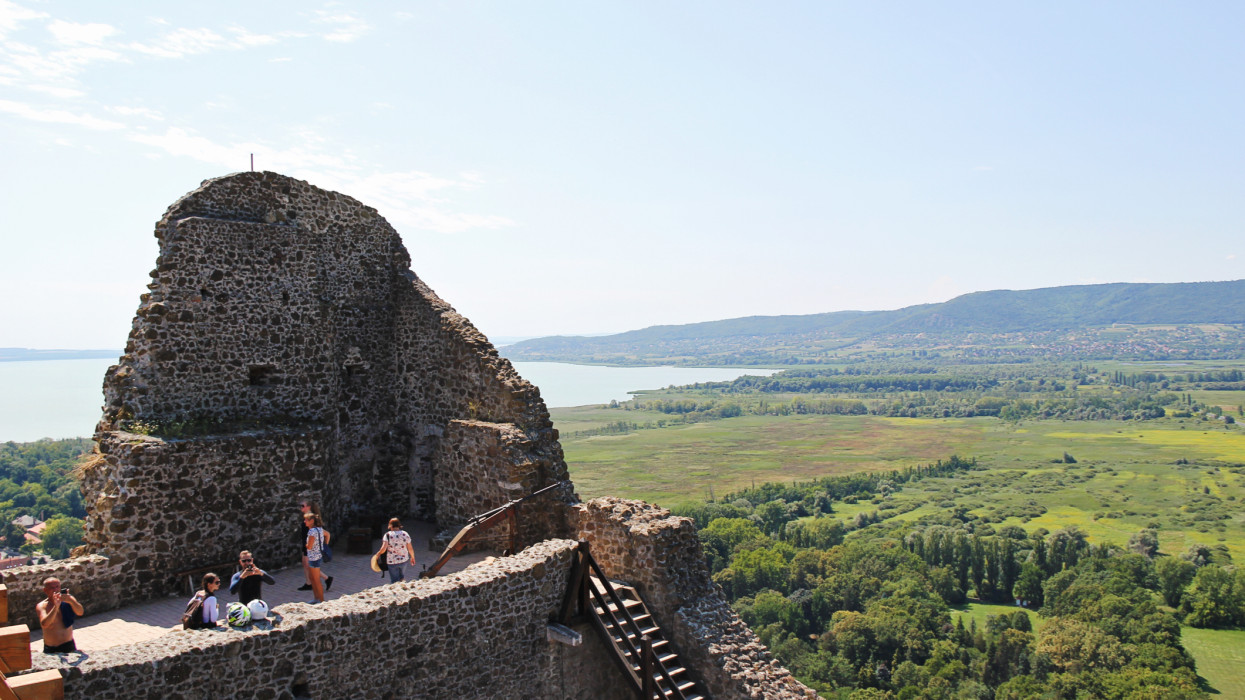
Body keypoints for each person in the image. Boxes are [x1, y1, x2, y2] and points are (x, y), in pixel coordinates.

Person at [37, 577, 84, 654]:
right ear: (45, 590)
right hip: (51, 647)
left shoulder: (68, 599)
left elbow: (80, 612)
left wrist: (71, 601)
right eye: (52, 588)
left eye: (57, 587)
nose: (55, 590)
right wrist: (56, 607)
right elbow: (45, 624)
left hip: (68, 644)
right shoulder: (42, 606)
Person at [297, 500, 332, 593]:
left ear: (309, 507)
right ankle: (309, 583)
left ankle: (326, 578)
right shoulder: (306, 518)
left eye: (303, 505)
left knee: (310, 565)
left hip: (311, 547)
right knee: (305, 564)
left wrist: (324, 545)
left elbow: (325, 533)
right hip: (307, 545)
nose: (301, 507)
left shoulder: (312, 518)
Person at [376, 517, 417, 583]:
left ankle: (397, 591)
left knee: (394, 580)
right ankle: (403, 586)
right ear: (399, 525)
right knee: (402, 577)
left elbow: (383, 549)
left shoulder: (387, 535)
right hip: (404, 560)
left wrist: (378, 554)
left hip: (392, 561)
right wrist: (412, 557)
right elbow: (410, 548)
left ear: (390, 525)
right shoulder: (405, 534)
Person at [304, 512, 331, 603]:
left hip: (314, 558)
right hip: (317, 557)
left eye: (306, 520)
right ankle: (316, 598)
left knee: (316, 580)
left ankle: (322, 601)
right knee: (312, 578)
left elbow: (309, 546)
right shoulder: (319, 529)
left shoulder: (312, 531)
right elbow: (328, 534)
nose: (304, 522)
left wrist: (306, 545)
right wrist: (325, 545)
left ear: (311, 521)